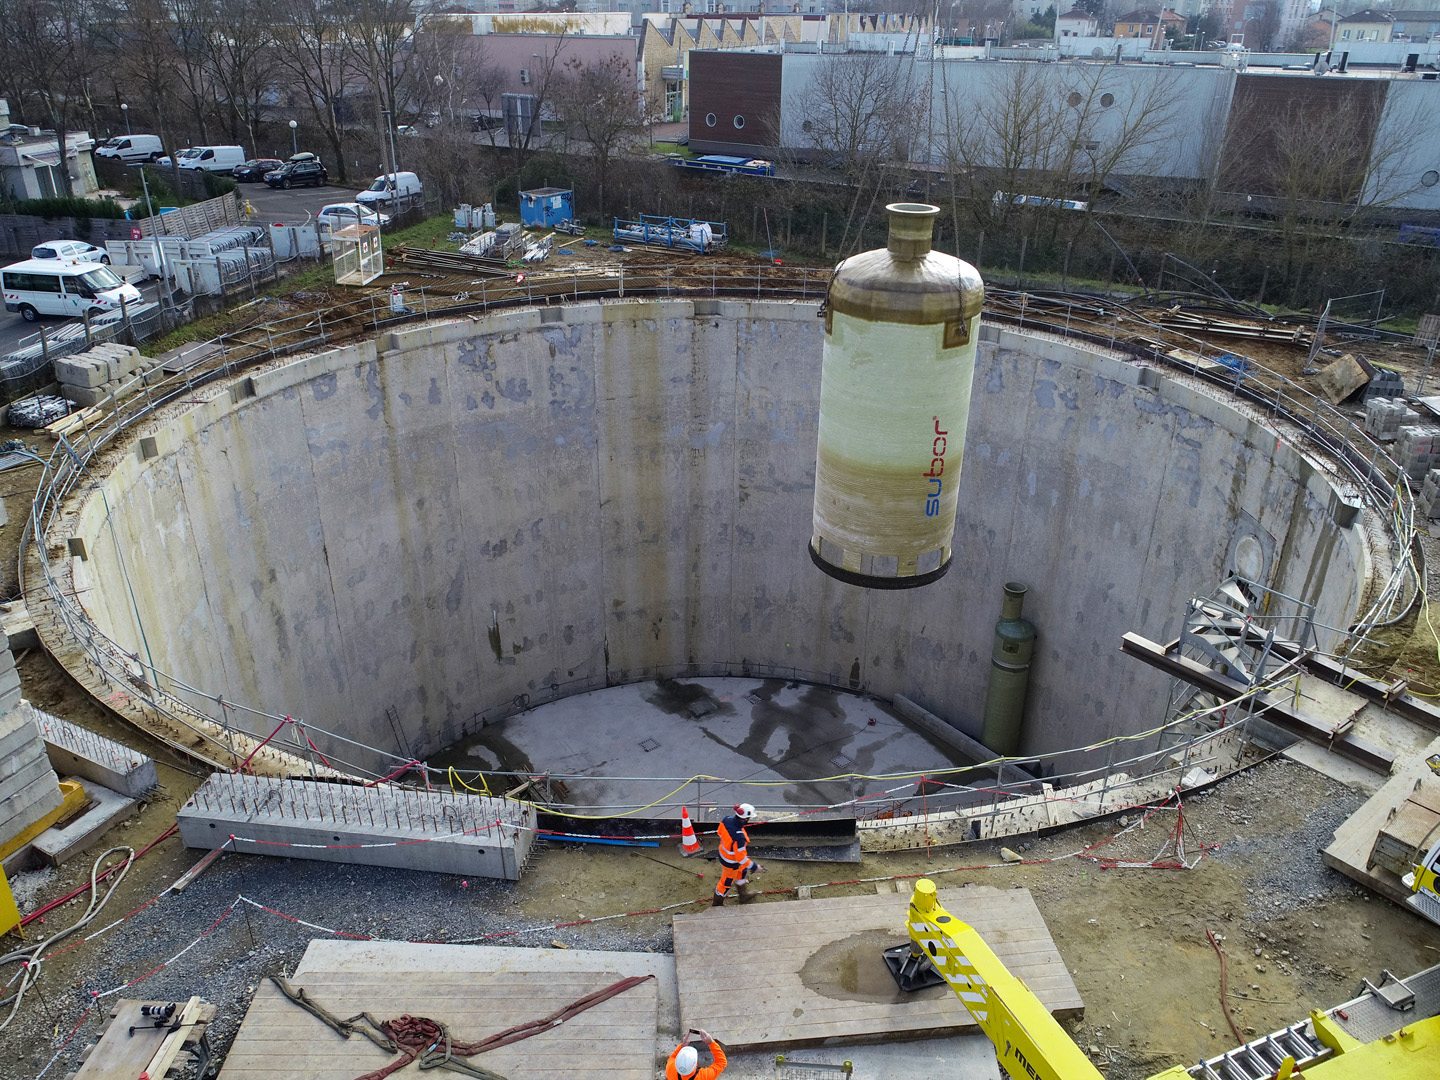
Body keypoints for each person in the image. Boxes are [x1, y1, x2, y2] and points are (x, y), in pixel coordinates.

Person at [713, 803, 763, 907]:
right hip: (731, 863)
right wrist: (755, 867)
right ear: (745, 819)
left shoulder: (726, 820)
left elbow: (719, 832)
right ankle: (717, 904)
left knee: (742, 871)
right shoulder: (739, 836)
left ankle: (743, 894)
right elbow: (741, 859)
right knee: (725, 883)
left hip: (724, 854)